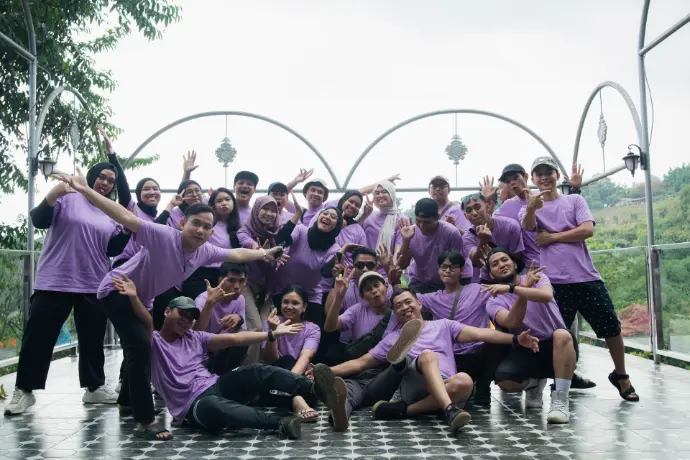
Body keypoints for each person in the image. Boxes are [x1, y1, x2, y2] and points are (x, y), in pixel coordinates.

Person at [55, 168, 285, 439]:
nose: (200, 230)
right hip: (117, 288)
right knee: (140, 347)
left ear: (211, 232)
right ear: (182, 223)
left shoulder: (204, 251)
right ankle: (145, 420)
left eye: (206, 227)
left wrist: (265, 252)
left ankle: (127, 400)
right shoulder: (163, 235)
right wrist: (84, 190)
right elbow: (124, 216)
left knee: (141, 347)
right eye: (195, 223)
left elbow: (236, 253)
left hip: (143, 298)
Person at [112, 274, 345, 440]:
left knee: (256, 370)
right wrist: (133, 297)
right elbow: (146, 321)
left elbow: (236, 338)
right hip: (192, 406)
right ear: (166, 312)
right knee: (215, 406)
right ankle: (281, 424)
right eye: (181, 314)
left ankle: (318, 390)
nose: (186, 321)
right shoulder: (154, 343)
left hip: (216, 385)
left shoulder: (195, 337)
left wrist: (271, 334)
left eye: (190, 317)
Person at [4, 163, 131, 416]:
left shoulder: (109, 209)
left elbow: (111, 249)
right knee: (38, 336)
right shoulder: (69, 196)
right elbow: (39, 220)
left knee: (93, 338)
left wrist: (126, 230)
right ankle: (25, 390)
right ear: (92, 177)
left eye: (110, 181)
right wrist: (54, 193)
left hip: (93, 282)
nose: (105, 183)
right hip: (56, 279)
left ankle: (94, 388)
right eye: (102, 177)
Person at [326, 288, 539, 434]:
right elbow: (361, 363)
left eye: (408, 302)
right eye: (398, 306)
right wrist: (328, 371)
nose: (404, 307)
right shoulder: (393, 338)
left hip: (445, 385)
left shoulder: (443, 325)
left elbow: (481, 333)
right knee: (428, 355)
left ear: (419, 303)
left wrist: (515, 339)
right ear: (395, 313)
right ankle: (449, 409)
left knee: (465, 381)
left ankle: (405, 411)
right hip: (415, 385)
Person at [519, 156, 638, 402]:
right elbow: (528, 226)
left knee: (611, 326)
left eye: (549, 172)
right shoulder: (530, 205)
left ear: (557, 175)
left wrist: (552, 237)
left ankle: (621, 374)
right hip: (553, 282)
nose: (545, 177)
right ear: (533, 179)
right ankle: (560, 380)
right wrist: (531, 208)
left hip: (586, 277)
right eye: (539, 173)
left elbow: (587, 230)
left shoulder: (574, 200)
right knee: (559, 335)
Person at [483, 248, 576, 423]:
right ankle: (534, 384)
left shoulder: (536, 276)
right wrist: (522, 288)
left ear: (514, 263)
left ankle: (560, 400)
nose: (501, 265)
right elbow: (512, 322)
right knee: (505, 381)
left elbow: (546, 296)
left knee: (562, 335)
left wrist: (515, 288)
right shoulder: (493, 300)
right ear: (491, 274)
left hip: (558, 345)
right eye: (495, 264)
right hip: (527, 347)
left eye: (504, 260)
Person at [414, 251, 495, 405]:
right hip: (451, 356)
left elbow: (500, 291)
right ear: (438, 270)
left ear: (462, 270)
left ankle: (483, 387)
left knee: (493, 344)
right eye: (443, 267)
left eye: (453, 267)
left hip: (477, 352)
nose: (447, 271)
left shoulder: (477, 290)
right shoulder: (433, 298)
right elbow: (406, 300)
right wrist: (394, 280)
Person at [238, 195, 299, 363]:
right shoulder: (245, 230)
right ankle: (248, 369)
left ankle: (261, 367)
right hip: (246, 285)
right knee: (256, 327)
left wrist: (273, 257)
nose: (269, 213)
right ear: (256, 209)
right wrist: (261, 251)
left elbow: (280, 255)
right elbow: (248, 243)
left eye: (274, 210)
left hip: (268, 290)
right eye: (265, 208)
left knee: (267, 328)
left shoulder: (278, 234)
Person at [272, 207, 343, 328]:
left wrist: (336, 267)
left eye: (333, 217)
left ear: (337, 226)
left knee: (313, 331)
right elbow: (282, 240)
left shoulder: (334, 248)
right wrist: (297, 214)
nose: (327, 217)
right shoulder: (301, 230)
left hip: (310, 295)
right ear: (318, 217)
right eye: (325, 213)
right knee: (279, 330)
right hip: (282, 290)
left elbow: (326, 272)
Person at [261, 286, 322, 422]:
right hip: (275, 374)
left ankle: (289, 397)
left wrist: (288, 383)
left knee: (310, 385)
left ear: (304, 307)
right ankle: (297, 400)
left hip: (295, 377)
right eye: (285, 302)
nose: (289, 306)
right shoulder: (270, 324)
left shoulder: (312, 329)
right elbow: (271, 359)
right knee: (286, 360)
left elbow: (305, 358)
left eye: (295, 303)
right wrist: (273, 332)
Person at [396, 198, 470, 293]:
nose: (422, 226)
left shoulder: (451, 233)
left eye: (427, 222)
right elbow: (402, 265)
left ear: (437, 217)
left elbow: (457, 265)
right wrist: (406, 241)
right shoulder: (410, 233)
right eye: (418, 221)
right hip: (420, 281)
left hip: (448, 279)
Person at [181, 187, 241, 299]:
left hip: (225, 277)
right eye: (219, 201)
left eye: (227, 199)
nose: (224, 203)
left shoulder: (238, 227)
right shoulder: (206, 225)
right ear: (213, 205)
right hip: (201, 275)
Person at [194, 262, 249, 374]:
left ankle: (229, 375)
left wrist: (239, 319)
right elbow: (195, 335)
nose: (237, 286)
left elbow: (242, 331)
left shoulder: (240, 299)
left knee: (244, 339)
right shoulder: (203, 299)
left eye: (241, 281)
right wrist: (210, 303)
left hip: (221, 348)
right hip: (201, 349)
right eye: (232, 280)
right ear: (220, 281)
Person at [461, 193, 524, 283]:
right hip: (483, 282)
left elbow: (516, 258)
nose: (474, 213)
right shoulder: (467, 238)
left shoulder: (510, 226)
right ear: (466, 216)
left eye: (477, 207)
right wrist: (483, 241)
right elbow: (477, 262)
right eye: (469, 210)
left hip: (510, 280)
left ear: (487, 207)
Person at [361, 180, 403, 274]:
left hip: (387, 271)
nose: (380, 195)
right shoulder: (368, 216)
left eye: (384, 192)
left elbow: (398, 250)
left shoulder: (400, 219)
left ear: (392, 194)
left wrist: (392, 270)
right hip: (364, 269)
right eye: (377, 193)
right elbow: (354, 233)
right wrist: (364, 215)